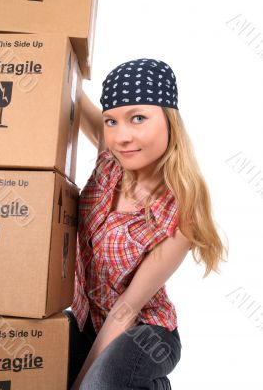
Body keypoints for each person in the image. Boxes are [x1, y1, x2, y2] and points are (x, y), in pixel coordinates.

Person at [63, 58, 228, 390]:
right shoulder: (110, 160)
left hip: (146, 332)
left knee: (97, 385)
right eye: (111, 121)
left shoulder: (181, 216)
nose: (122, 136)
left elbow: (126, 310)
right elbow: (72, 91)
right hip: (88, 320)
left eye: (138, 118)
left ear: (169, 120)